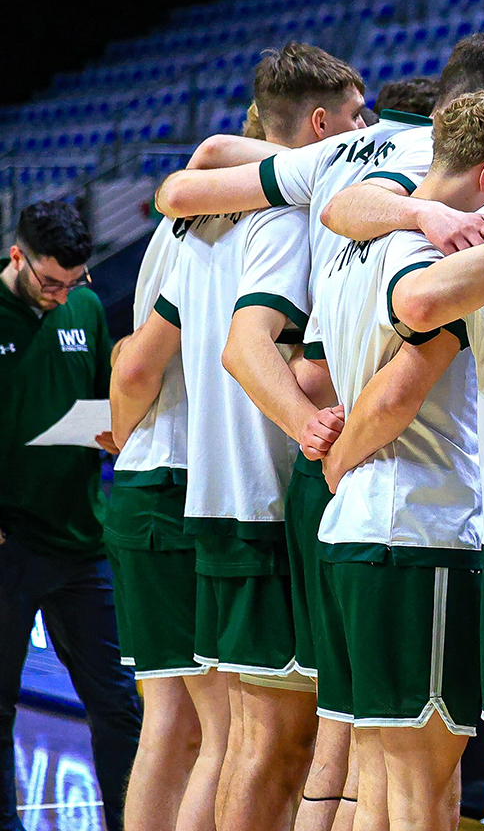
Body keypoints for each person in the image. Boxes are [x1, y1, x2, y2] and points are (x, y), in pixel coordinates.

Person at [300, 93, 484, 827]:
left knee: (380, 781)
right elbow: (394, 395)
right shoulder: (443, 258)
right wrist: (341, 455)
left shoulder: (357, 240)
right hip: (418, 531)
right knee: (417, 789)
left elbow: (340, 207)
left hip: (358, 534)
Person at [143, 44, 370, 830]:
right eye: (354, 115)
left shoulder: (195, 223)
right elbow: (250, 350)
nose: (365, 129)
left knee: (239, 739)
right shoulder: (284, 218)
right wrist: (311, 427)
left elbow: (196, 164)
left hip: (216, 489)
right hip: (261, 495)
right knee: (272, 744)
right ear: (320, 124)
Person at [109, 134, 283, 831]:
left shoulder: (176, 231)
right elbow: (133, 369)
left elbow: (130, 362)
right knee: (222, 728)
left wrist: (127, 441)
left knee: (173, 723)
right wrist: (131, 435)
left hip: (152, 479)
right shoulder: (232, 237)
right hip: (189, 480)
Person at [0, 201, 141, 830]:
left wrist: (116, 429)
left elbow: (105, 403)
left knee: (116, 705)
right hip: (9, 543)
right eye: (49, 281)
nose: (62, 294)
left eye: (73, 281)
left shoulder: (84, 308)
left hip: (82, 538)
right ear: (16, 257)